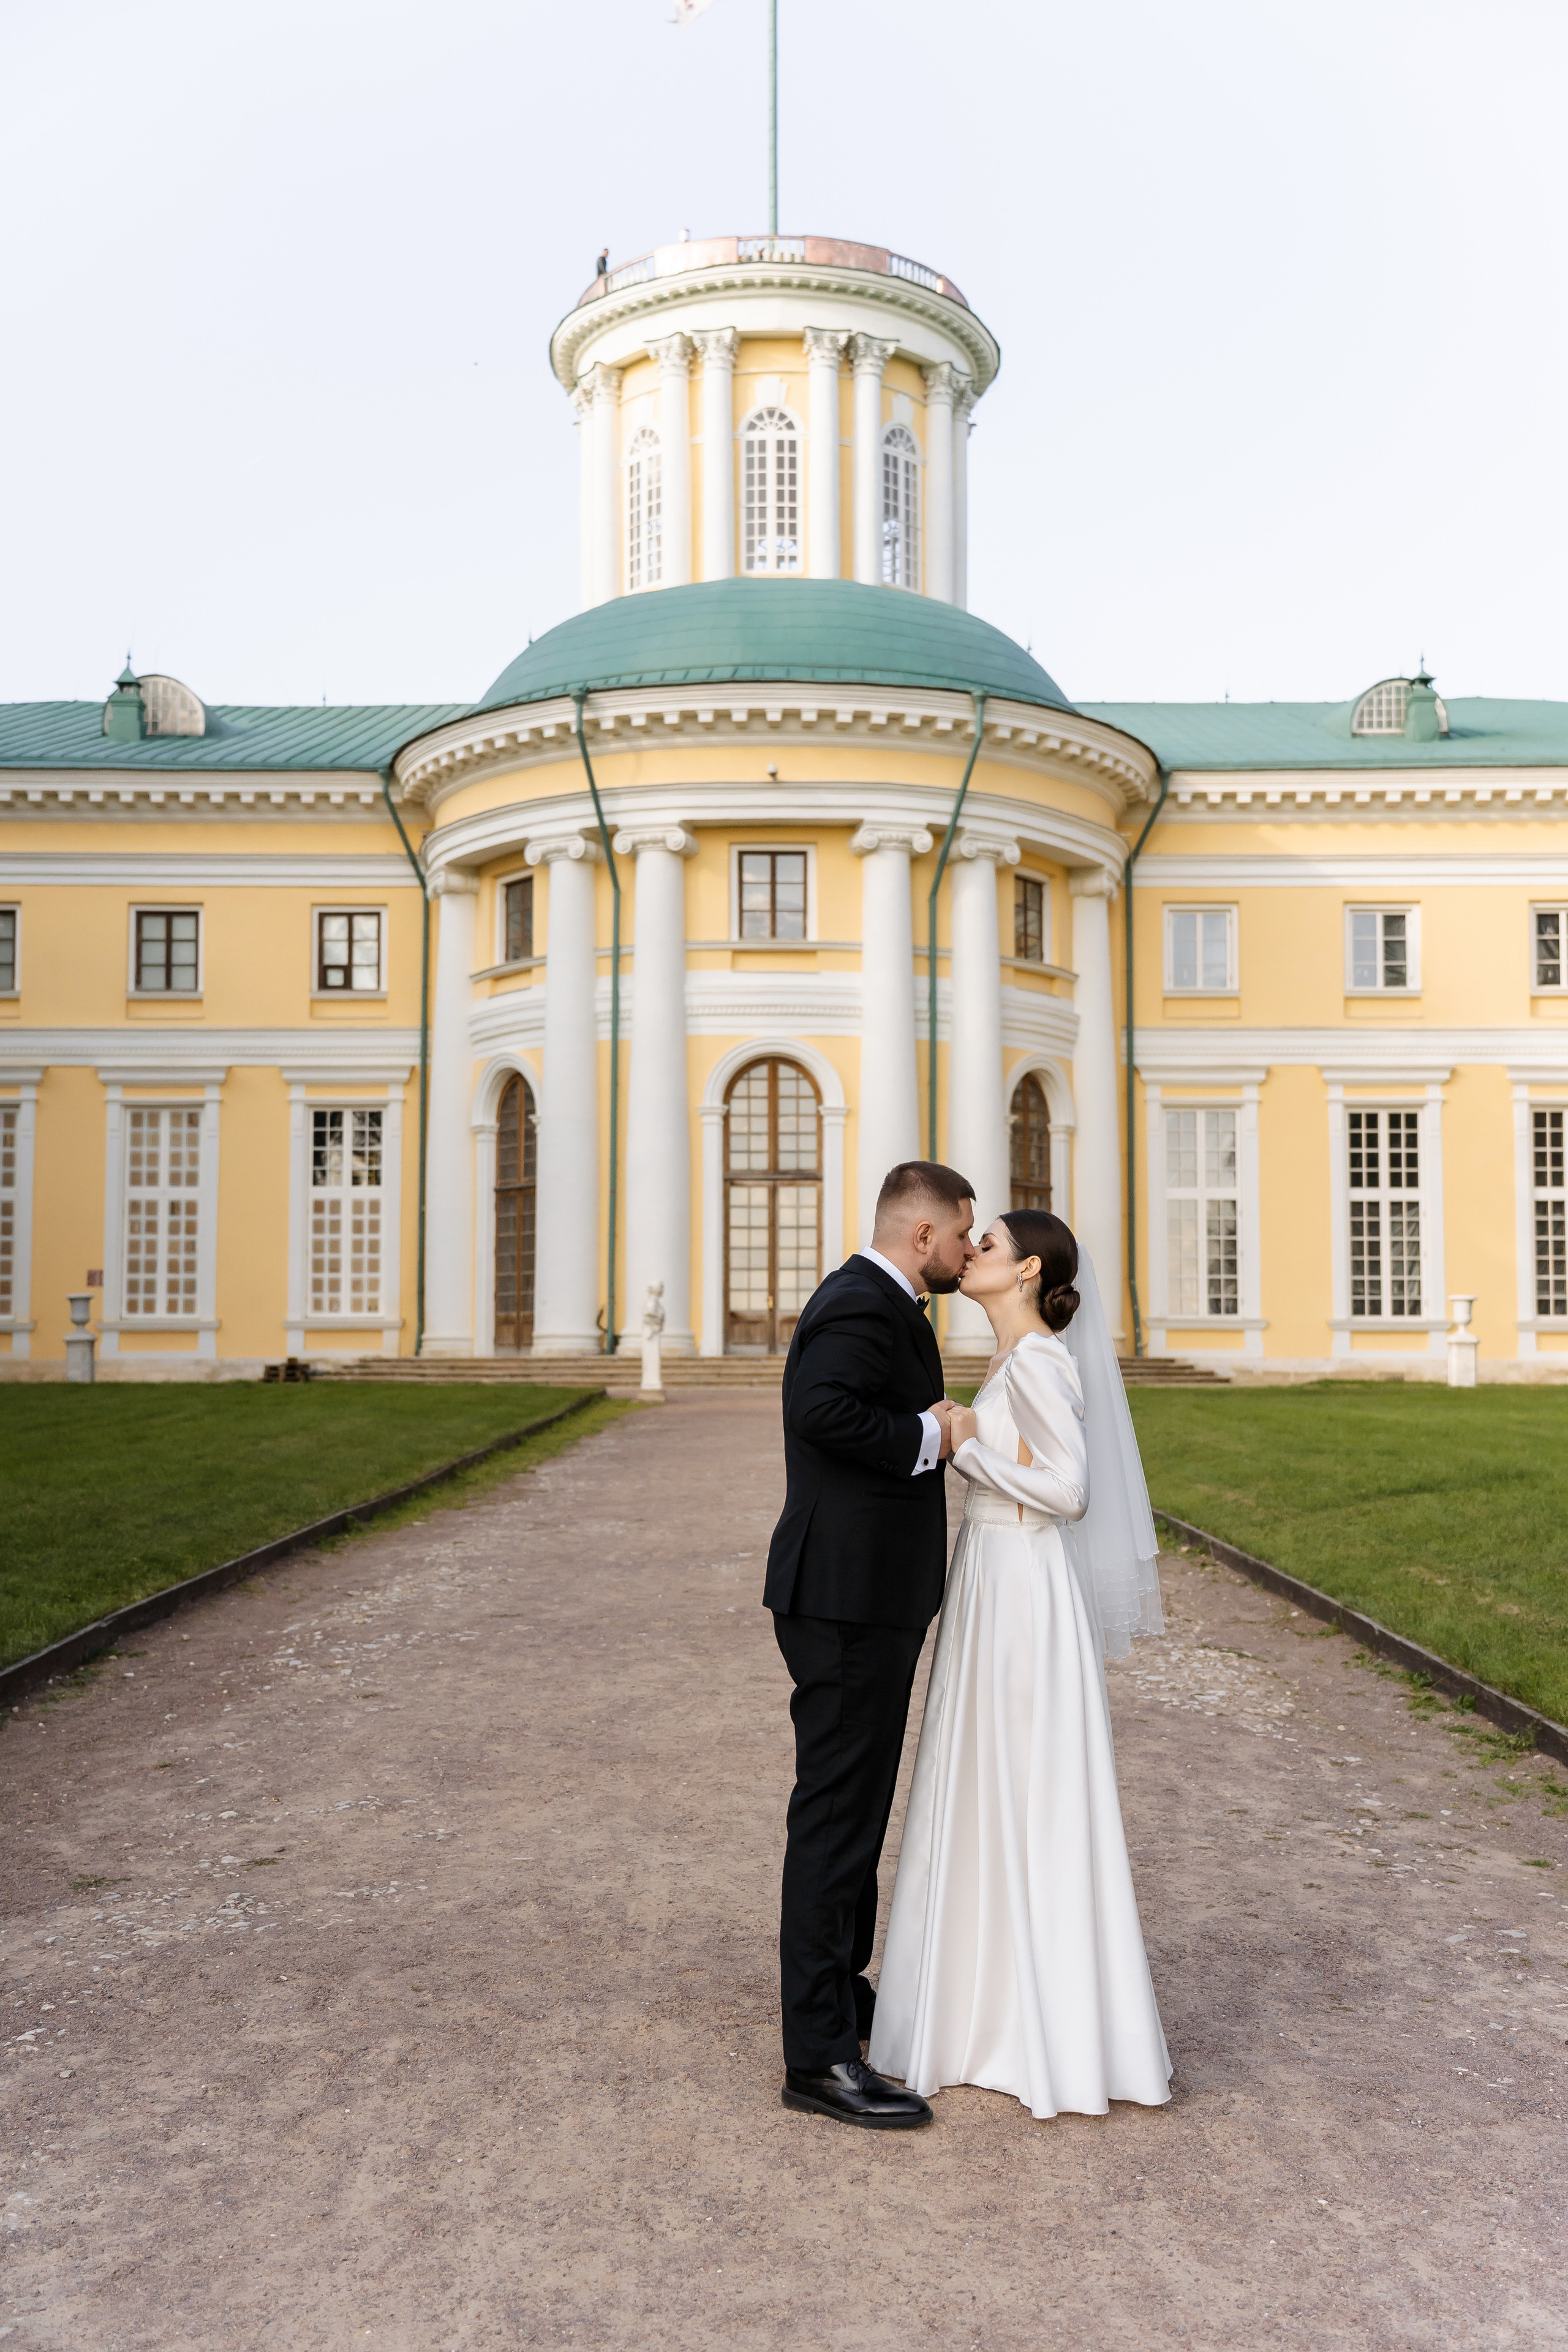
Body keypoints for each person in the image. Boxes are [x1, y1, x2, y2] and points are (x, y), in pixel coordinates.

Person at [869, 1209, 1173, 2121]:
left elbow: (1070, 1493)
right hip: (990, 1579)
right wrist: (975, 1439)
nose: (972, 1253)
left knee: (1024, 1791)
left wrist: (969, 1449)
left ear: (1030, 1269)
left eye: (990, 1244)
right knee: (981, 1788)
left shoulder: (1041, 1359)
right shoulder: (1009, 1360)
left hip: (1025, 1586)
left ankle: (1039, 2030)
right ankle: (978, 2014)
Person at [764, 1160, 976, 2130]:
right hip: (844, 1600)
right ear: (922, 1234)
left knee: (854, 1810)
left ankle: (843, 2002)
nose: (971, 1251)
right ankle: (816, 2059)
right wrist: (927, 1433)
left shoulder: (882, 1302)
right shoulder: (860, 1302)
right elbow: (821, 1413)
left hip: (865, 1598)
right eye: (964, 1234)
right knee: (837, 1817)